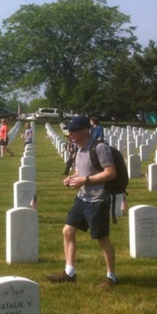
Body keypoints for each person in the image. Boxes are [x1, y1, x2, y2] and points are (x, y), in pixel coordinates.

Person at [48, 114, 117, 287]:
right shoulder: (79, 149)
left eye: (73, 131)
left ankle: (111, 277)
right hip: (82, 198)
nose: (70, 135)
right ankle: (69, 273)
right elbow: (83, 171)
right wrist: (72, 178)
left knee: (102, 239)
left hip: (98, 199)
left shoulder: (99, 147)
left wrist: (85, 180)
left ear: (85, 130)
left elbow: (110, 173)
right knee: (67, 231)